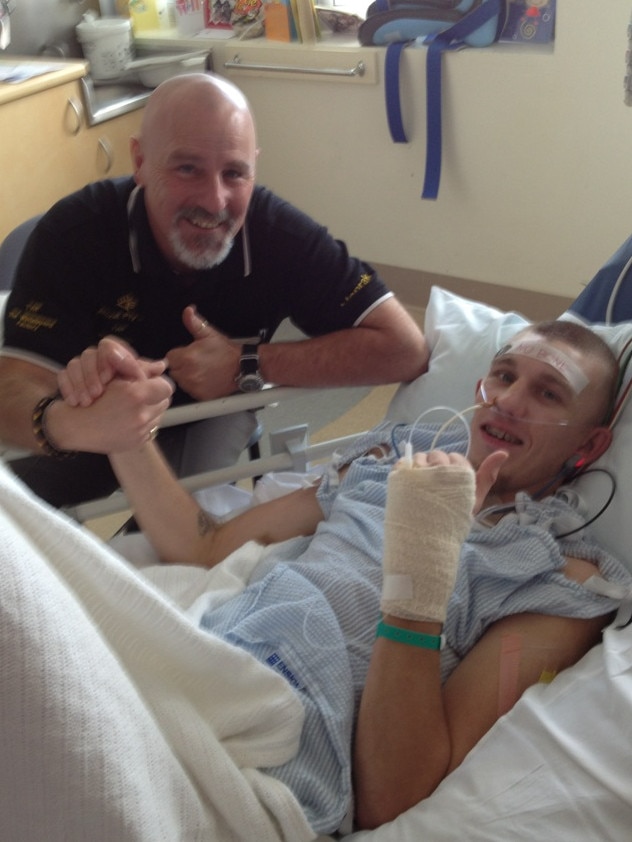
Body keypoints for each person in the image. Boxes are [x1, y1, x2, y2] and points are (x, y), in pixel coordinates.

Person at [58, 318, 632, 834]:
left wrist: (422, 567)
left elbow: (394, 797)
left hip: (272, 753)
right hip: (195, 669)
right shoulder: (387, 464)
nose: (507, 400)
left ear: (589, 444)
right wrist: (126, 435)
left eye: (547, 392)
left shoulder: (559, 578)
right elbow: (204, 545)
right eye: (503, 375)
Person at [0, 72, 426, 509]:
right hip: (86, 418)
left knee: (181, 550)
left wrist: (246, 363)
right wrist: (73, 423)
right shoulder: (72, 235)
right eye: (188, 168)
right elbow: (11, 384)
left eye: (235, 173)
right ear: (140, 160)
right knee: (23, 532)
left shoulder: (280, 236)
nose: (215, 201)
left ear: (255, 168)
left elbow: (404, 348)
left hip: (206, 415)